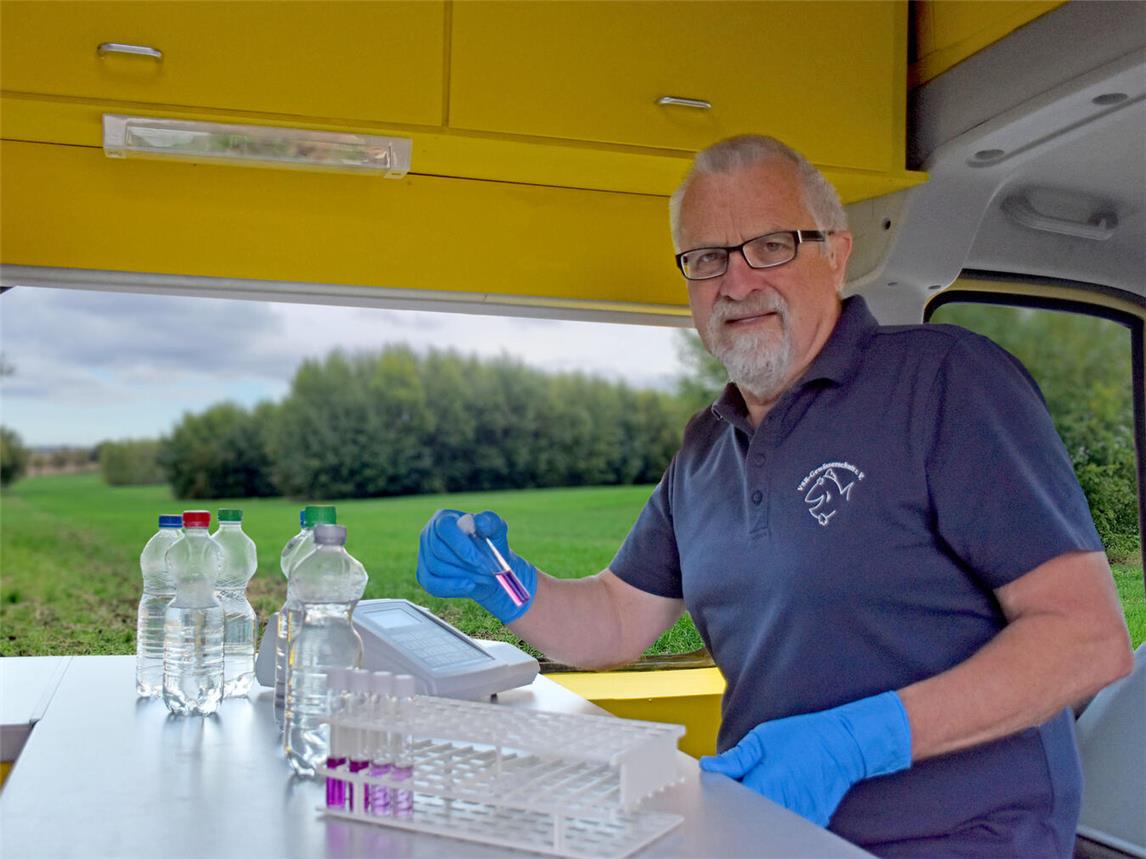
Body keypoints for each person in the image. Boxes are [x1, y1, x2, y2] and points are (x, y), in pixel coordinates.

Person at [416, 135, 1133, 857]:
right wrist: (504, 580)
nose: (736, 281)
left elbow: (1087, 639)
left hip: (962, 840)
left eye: (770, 245)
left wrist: (858, 741)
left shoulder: (948, 382)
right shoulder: (704, 446)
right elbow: (615, 620)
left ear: (837, 252)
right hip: (770, 834)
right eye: (706, 258)